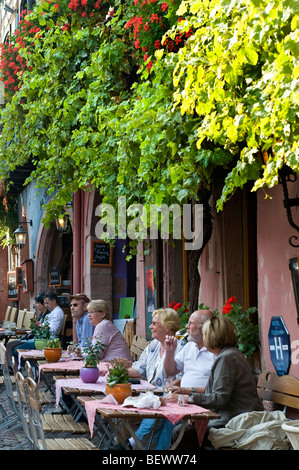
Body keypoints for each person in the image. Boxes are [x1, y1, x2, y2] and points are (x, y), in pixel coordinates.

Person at [170, 315, 264, 450]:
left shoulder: (227, 358)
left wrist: (187, 398)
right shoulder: (228, 355)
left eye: (205, 334)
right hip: (233, 415)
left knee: (180, 433)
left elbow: (219, 398)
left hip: (237, 420)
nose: (204, 338)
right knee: (181, 431)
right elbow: (214, 393)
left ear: (213, 336)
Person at [137, 308, 216, 450]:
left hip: (200, 403)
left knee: (165, 412)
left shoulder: (216, 353)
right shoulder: (190, 347)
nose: (186, 326)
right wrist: (169, 352)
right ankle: (139, 444)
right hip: (183, 400)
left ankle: (134, 444)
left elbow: (217, 391)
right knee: (163, 407)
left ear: (204, 327)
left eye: (190, 323)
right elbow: (171, 370)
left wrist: (185, 393)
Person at [116, 307, 187, 450]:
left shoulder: (181, 347)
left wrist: (164, 391)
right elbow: (139, 368)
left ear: (167, 327)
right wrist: (117, 372)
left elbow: (182, 379)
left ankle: (133, 444)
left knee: (160, 407)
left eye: (154, 323)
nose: (150, 326)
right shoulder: (153, 345)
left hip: (168, 395)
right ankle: (136, 444)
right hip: (150, 394)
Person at [6, 293, 50, 366]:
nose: (36, 305)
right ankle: (13, 368)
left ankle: (28, 367)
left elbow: (47, 329)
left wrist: (37, 326)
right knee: (10, 345)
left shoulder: (48, 315)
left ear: (42, 304)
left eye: (37, 303)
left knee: (14, 349)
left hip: (39, 341)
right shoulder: (42, 315)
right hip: (33, 338)